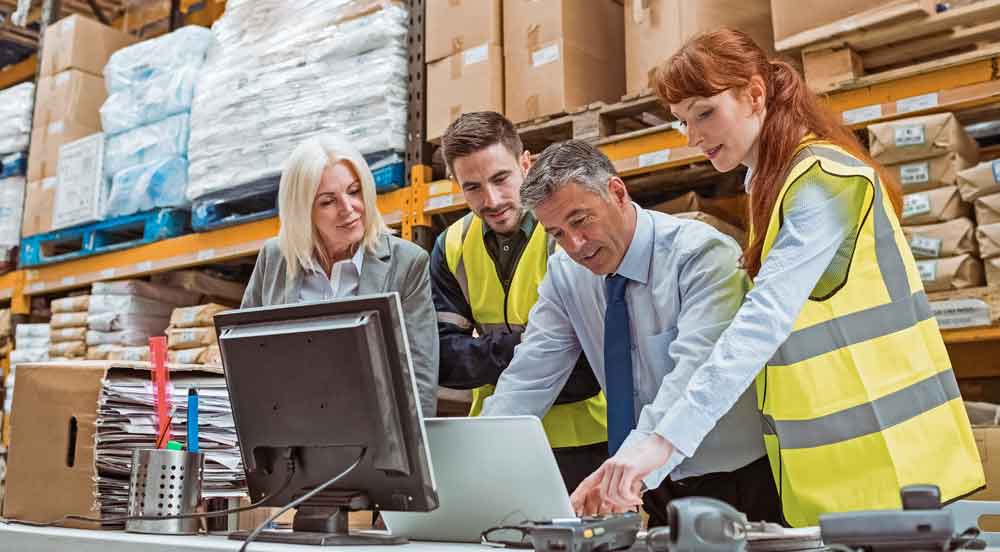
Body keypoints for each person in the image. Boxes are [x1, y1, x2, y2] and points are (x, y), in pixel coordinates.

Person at [570, 28, 985, 526]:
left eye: (705, 112)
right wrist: (643, 453)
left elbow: (759, 324)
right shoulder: (774, 184)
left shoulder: (822, 183)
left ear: (754, 94)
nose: (693, 136)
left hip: (891, 461)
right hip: (841, 471)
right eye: (682, 121)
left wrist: (659, 446)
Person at [480, 138, 782, 524]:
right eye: (556, 233)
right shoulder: (566, 273)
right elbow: (529, 376)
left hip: (733, 479)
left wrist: (630, 463)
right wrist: (480, 460)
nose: (574, 245)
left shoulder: (701, 256)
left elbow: (693, 378)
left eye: (580, 220)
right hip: (645, 484)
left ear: (617, 193)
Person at [431, 112, 608, 492]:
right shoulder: (452, 247)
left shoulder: (566, 236)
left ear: (526, 164)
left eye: (500, 179)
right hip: (499, 438)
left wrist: (484, 356)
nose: (491, 200)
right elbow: (443, 360)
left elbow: (587, 366)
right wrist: (534, 348)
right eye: (473, 187)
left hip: (584, 442)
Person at [242, 134, 439, 417]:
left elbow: (418, 377)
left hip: (374, 434)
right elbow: (246, 357)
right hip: (289, 434)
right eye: (328, 201)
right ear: (302, 212)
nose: (348, 209)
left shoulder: (407, 263)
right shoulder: (275, 258)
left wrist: (409, 454)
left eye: (354, 191)